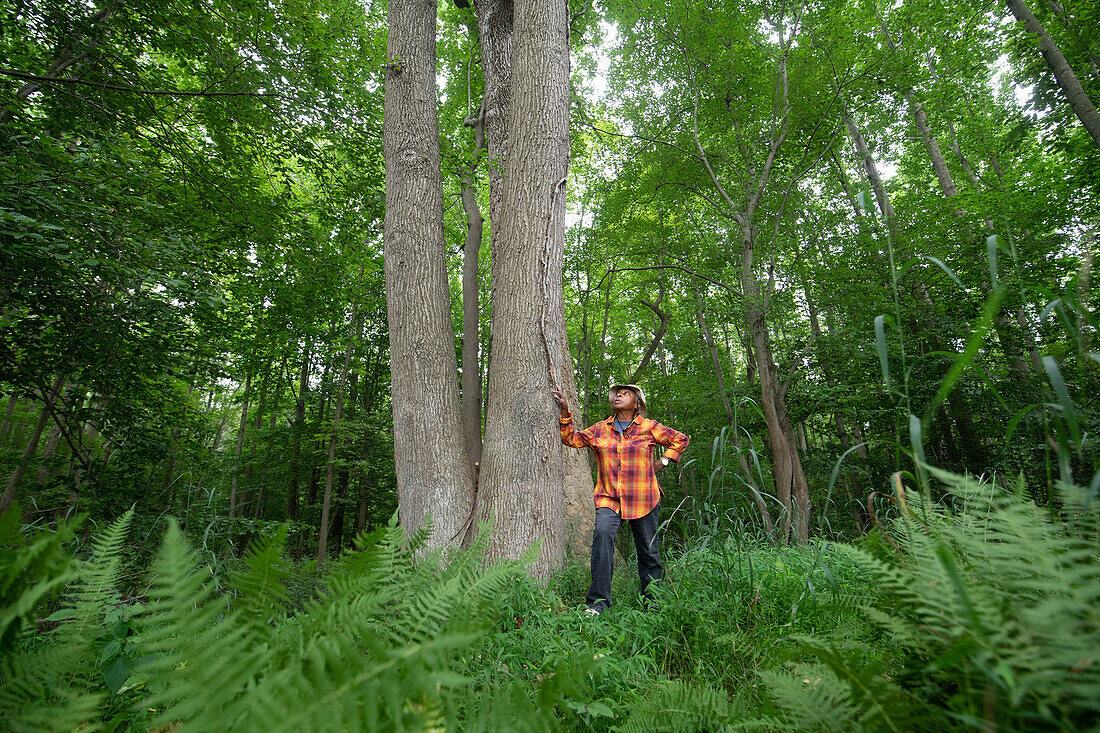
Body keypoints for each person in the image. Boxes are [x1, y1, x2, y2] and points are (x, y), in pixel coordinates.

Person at [552, 383, 689, 614]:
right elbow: (571, 440)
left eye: (625, 394)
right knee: (602, 540)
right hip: (609, 498)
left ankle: (653, 605)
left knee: (648, 552)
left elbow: (680, 439)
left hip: (644, 497)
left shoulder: (648, 427)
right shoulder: (600, 429)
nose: (618, 396)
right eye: (617, 394)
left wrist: (664, 461)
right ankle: (598, 605)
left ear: (637, 404)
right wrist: (565, 413)